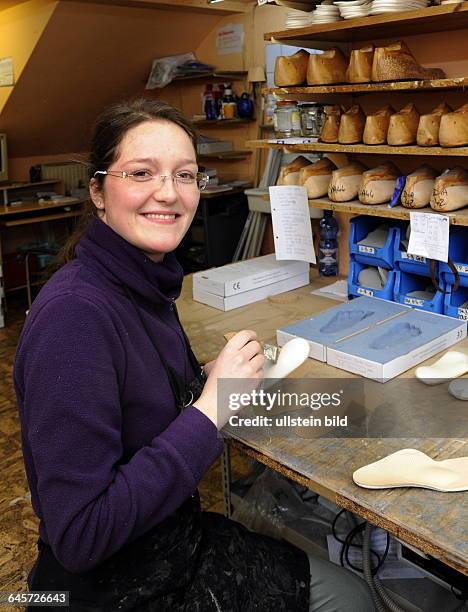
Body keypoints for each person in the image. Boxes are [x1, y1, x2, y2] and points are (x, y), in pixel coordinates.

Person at [14, 98, 374, 611]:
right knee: (351, 600)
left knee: (348, 589)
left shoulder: (142, 280)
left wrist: (199, 379)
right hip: (111, 587)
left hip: (169, 543)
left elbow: (131, 396)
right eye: (141, 172)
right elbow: (81, 535)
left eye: (185, 175)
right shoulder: (76, 317)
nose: (169, 193)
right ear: (97, 191)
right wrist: (211, 408)